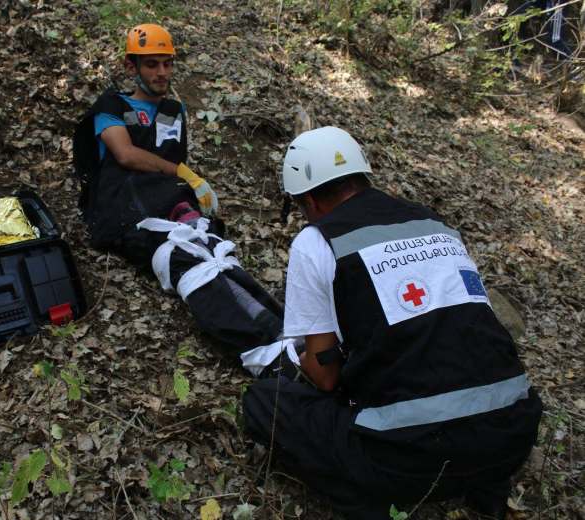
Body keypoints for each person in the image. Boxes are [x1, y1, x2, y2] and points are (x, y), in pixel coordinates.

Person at [242, 127, 543, 519]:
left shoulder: (315, 241)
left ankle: (369, 503)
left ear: (310, 201)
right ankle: (484, 491)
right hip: (512, 437)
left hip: (411, 457)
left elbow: (328, 376)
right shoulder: (434, 224)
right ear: (363, 177)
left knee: (265, 401)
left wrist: (301, 355)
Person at [73, 23, 218, 265]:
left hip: (166, 200)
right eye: (152, 64)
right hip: (119, 206)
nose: (162, 72)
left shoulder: (174, 111)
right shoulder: (112, 106)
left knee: (206, 240)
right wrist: (185, 173)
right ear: (132, 67)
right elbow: (126, 155)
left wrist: (191, 182)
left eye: (167, 63)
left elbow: (173, 163)